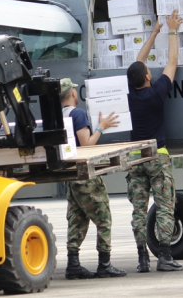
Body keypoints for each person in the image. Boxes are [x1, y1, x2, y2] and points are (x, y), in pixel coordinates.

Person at [126, 9, 183, 272]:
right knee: (164, 205)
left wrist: (154, 32)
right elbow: (172, 61)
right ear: (148, 77)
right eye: (149, 70)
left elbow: (138, 62)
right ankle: (165, 256)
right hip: (157, 155)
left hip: (135, 157)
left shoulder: (132, 94)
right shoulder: (157, 93)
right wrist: (172, 30)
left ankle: (142, 259)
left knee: (139, 208)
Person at [60, 78, 127, 279]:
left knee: (76, 219)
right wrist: (101, 127)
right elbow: (87, 146)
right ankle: (104, 264)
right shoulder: (77, 114)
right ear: (73, 93)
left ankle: (73, 265)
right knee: (103, 218)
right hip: (85, 175)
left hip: (71, 176)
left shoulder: (58, 115)